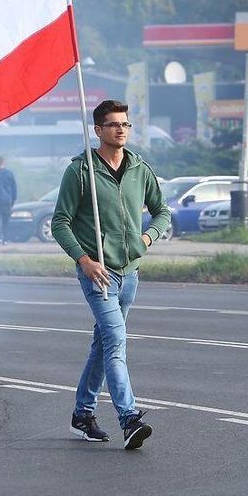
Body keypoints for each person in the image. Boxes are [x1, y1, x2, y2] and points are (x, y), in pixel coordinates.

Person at [51, 99, 171, 450]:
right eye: (114, 124)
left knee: (103, 343)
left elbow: (162, 211)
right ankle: (129, 418)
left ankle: (82, 415)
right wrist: (84, 260)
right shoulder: (80, 171)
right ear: (98, 130)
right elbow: (60, 222)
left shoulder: (139, 168)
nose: (121, 129)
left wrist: (146, 239)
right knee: (116, 341)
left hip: (129, 271)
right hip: (97, 274)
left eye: (125, 124)